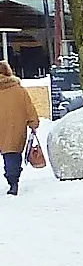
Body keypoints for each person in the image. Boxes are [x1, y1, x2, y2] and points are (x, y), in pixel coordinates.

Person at [0, 59, 40, 195]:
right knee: (12, 155)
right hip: (14, 129)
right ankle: (13, 183)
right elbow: (29, 108)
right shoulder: (19, 90)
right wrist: (33, 123)